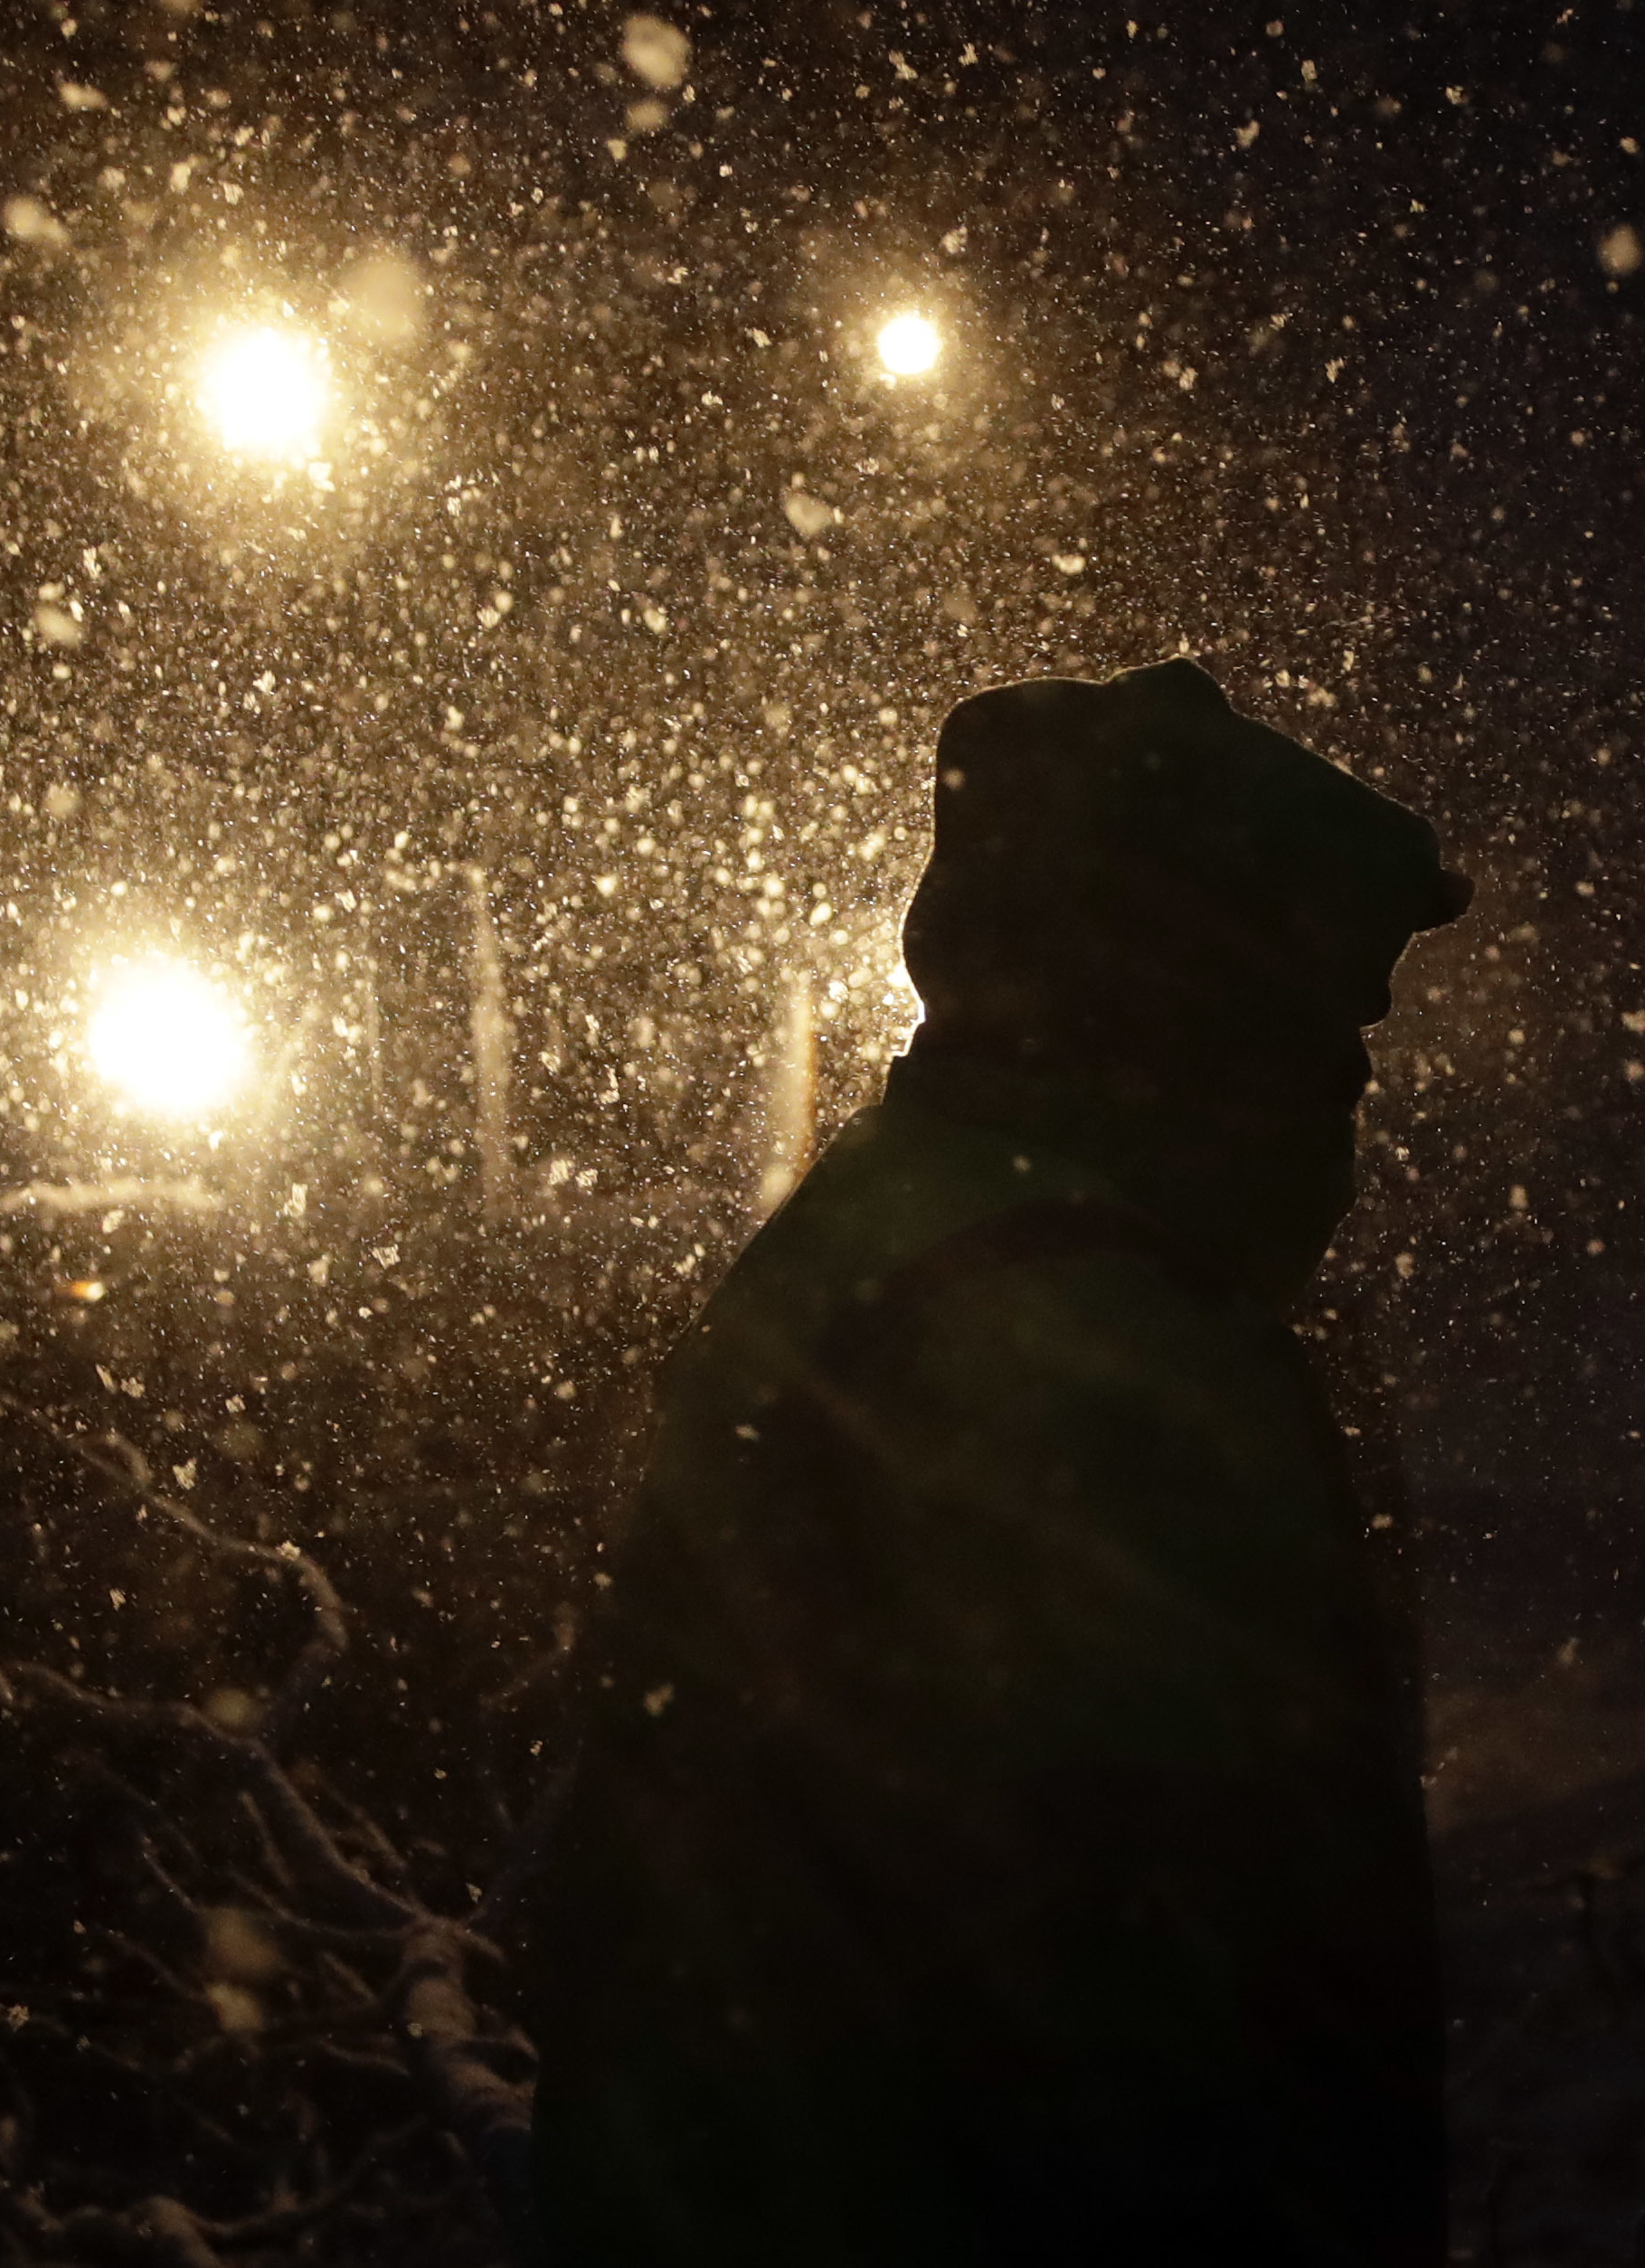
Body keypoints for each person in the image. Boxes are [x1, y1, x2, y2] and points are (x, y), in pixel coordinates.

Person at [524, 658, 1470, 2268]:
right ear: (1204, 1003)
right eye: (1332, 1016)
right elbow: (1183, 2019)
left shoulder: (897, 1226)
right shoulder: (1094, 1355)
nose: (1354, 1079)